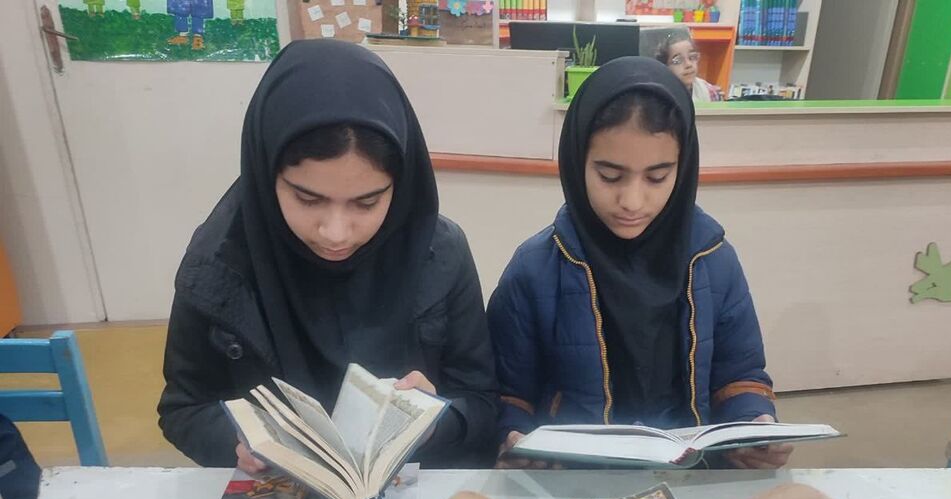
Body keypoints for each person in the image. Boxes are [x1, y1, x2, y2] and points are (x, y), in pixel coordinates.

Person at [158, 40, 499, 473]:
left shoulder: (441, 253)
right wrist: (235, 440)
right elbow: (184, 408)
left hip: (409, 493)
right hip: (280, 493)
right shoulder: (217, 264)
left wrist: (437, 421)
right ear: (266, 173)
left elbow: (482, 400)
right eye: (307, 199)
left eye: (367, 202)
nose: (336, 233)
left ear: (400, 186)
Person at [487, 57, 789, 470]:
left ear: (683, 168)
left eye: (657, 177)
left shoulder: (713, 259)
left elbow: (740, 374)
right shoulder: (535, 268)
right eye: (610, 176)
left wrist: (755, 424)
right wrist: (511, 436)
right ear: (576, 161)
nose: (632, 201)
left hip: (690, 477)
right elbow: (508, 394)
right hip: (573, 481)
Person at [654, 29, 722, 102]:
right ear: (664, 67)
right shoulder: (658, 96)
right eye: (678, 60)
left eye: (692, 57)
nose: (688, 64)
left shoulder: (709, 91)